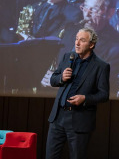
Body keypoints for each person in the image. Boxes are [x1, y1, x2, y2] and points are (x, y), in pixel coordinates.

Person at [41, 0, 119, 94]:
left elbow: (102, 85)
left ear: (110, 13)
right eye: (85, 6)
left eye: (94, 10)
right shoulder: (69, 29)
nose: (86, 14)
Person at [46, 27, 110, 159]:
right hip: (58, 117)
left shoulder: (101, 66)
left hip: (79, 119)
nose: (77, 43)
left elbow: (104, 94)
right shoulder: (67, 57)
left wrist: (85, 98)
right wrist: (61, 78)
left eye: (82, 40)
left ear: (91, 45)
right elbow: (53, 80)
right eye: (76, 39)